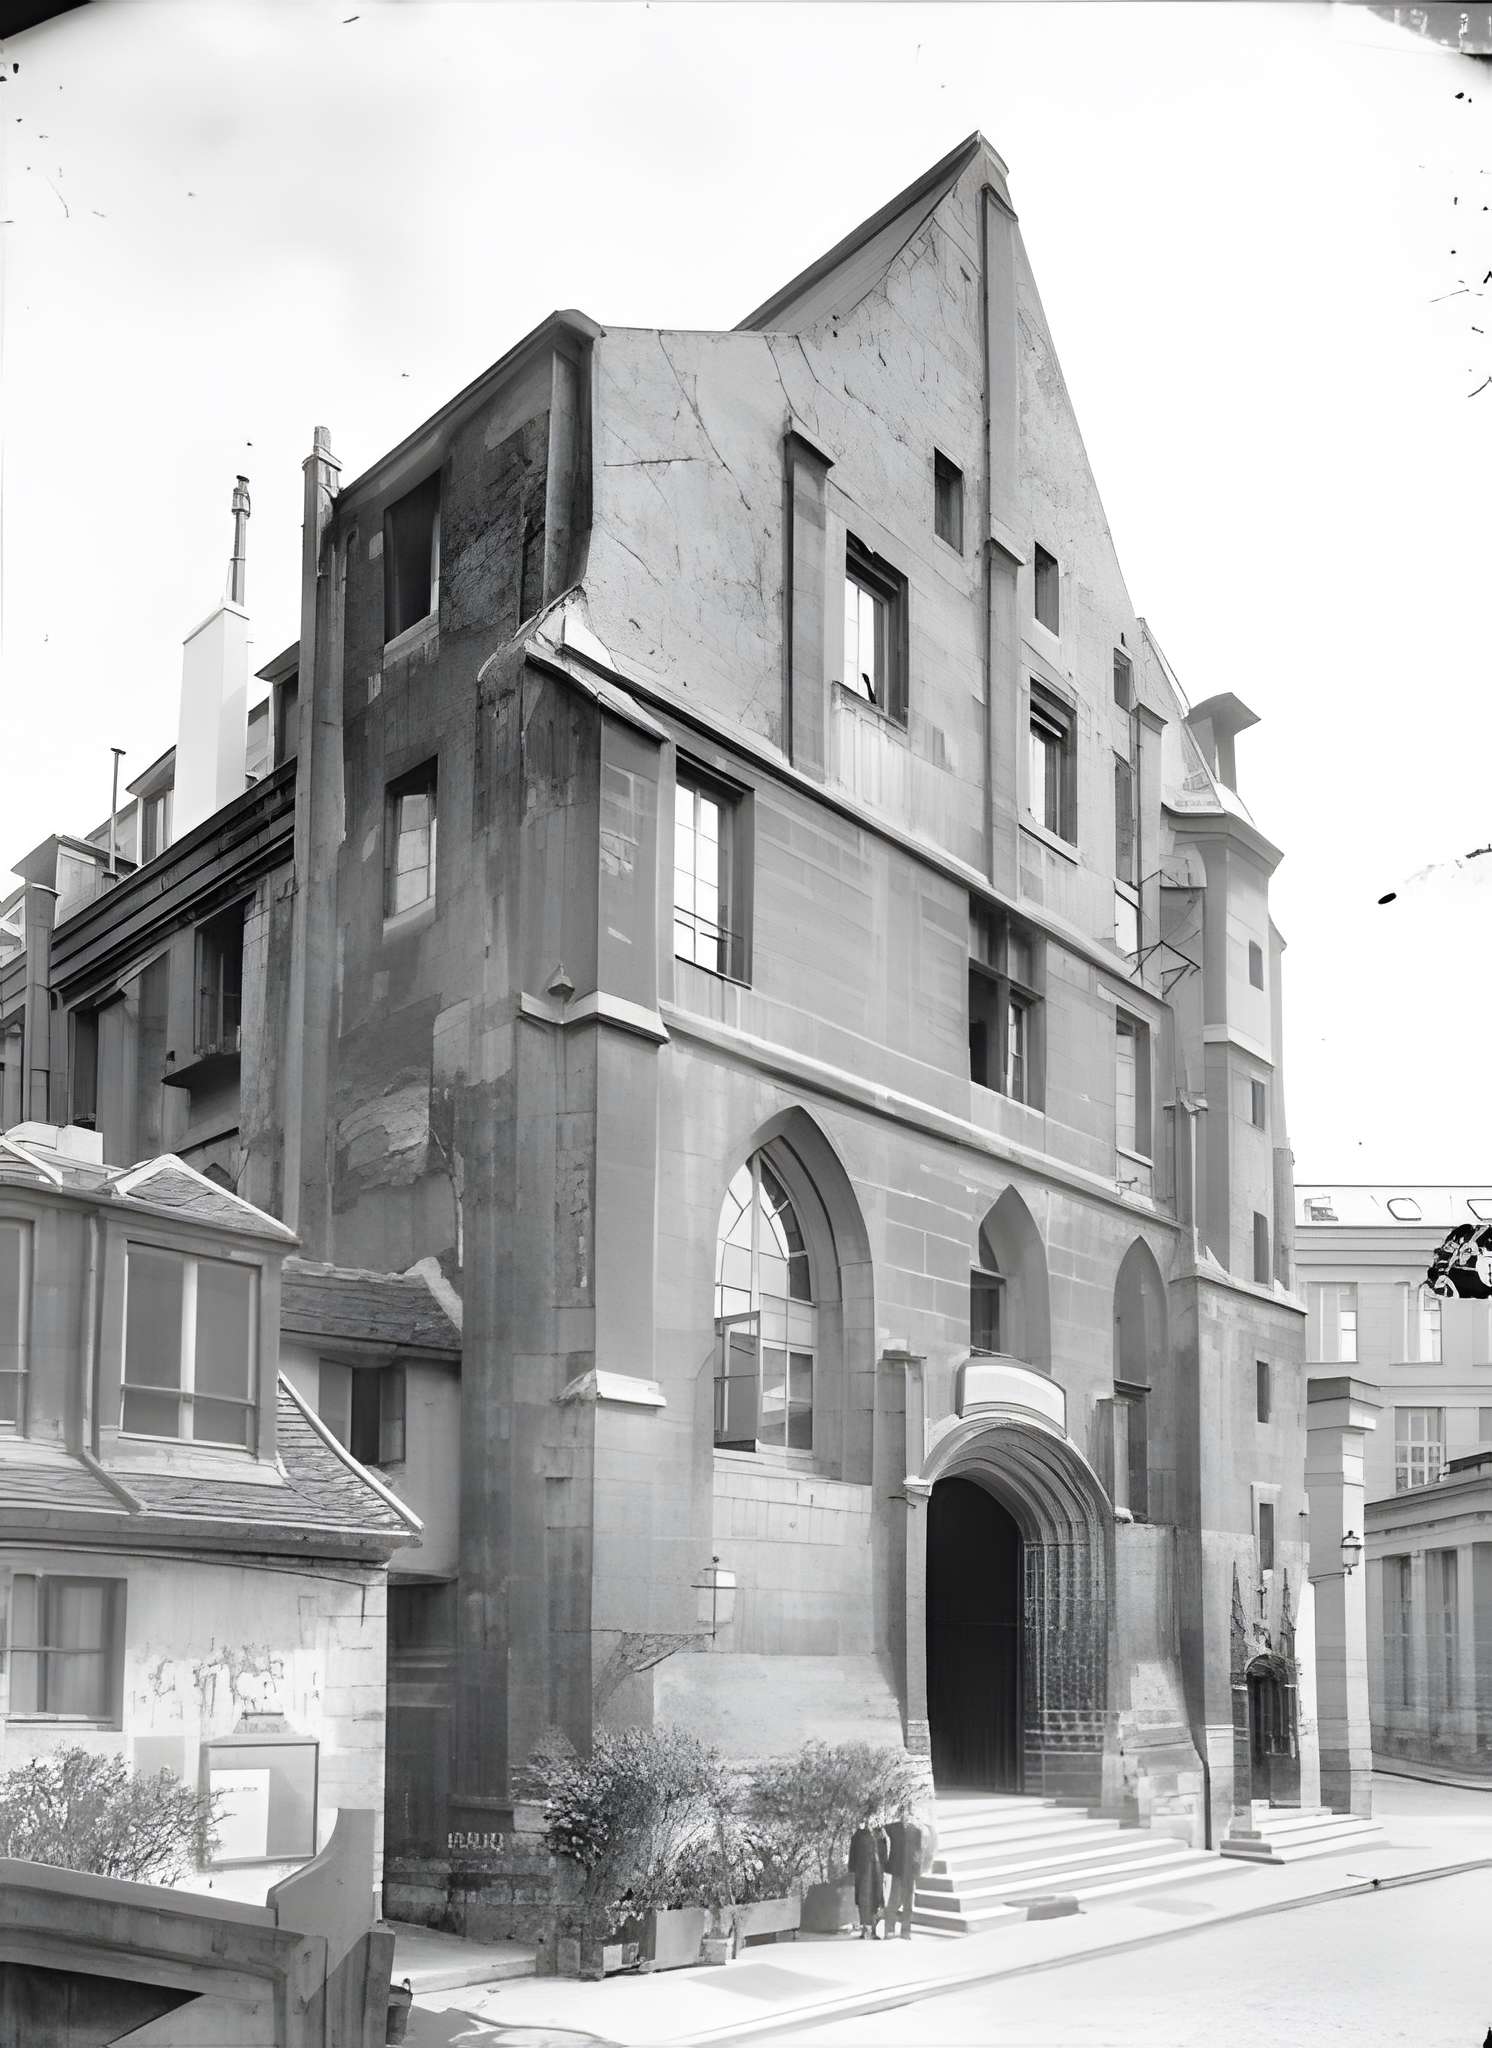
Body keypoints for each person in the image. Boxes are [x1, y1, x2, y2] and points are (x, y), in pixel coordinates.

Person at [884, 1808, 936, 1939]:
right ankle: (889, 1929)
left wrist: (918, 1870)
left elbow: (919, 1852)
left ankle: (905, 1931)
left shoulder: (917, 1831)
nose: (907, 1818)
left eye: (909, 1815)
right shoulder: (893, 1828)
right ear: (900, 1816)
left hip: (910, 1871)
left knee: (908, 1902)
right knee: (894, 1900)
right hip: (898, 1870)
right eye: (904, 1815)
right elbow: (883, 1831)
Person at [847, 1812, 891, 1939]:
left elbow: (884, 1853)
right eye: (867, 1819)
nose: (870, 1822)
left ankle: (874, 1929)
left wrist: (884, 1868)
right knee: (863, 1900)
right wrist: (852, 1871)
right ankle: (865, 1929)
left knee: (876, 1900)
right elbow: (852, 1854)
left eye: (872, 1819)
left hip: (876, 1873)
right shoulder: (858, 1836)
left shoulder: (880, 1834)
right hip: (863, 1872)